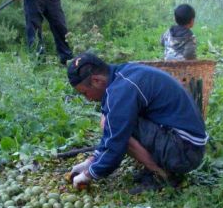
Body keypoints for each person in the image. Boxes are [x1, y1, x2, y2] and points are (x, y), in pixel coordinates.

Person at [66, 53, 207, 194]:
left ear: (96, 81)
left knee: (118, 127)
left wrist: (88, 174)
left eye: (85, 93)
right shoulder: (123, 73)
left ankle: (162, 175)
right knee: (112, 120)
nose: (88, 99)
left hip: (184, 151)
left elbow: (116, 144)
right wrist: (91, 161)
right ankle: (160, 169)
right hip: (188, 143)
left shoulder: (121, 90)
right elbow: (112, 126)